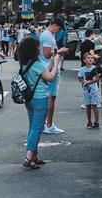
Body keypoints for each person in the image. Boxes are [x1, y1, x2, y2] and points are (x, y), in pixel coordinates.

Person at [16, 35, 65, 169]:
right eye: (37, 47)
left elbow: (43, 72)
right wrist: (56, 63)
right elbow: (50, 77)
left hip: (29, 99)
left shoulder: (25, 63)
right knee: (37, 128)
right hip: (40, 99)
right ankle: (29, 155)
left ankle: (34, 157)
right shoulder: (36, 64)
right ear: (33, 50)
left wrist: (52, 63)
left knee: (33, 127)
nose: (39, 49)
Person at [39, 18, 66, 135]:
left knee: (49, 97)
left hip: (48, 68)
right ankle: (49, 125)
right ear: (54, 25)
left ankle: (47, 124)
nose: (58, 31)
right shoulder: (47, 36)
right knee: (51, 97)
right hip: (50, 68)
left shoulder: (48, 35)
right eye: (58, 28)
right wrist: (60, 51)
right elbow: (46, 53)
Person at [79, 50, 102, 129]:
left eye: (91, 58)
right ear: (84, 60)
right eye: (88, 58)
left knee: (94, 105)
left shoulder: (95, 68)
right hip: (86, 90)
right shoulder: (82, 69)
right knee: (88, 106)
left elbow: (98, 78)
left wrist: (89, 82)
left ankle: (96, 122)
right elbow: (80, 77)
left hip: (94, 89)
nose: (90, 59)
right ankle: (89, 122)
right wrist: (83, 82)